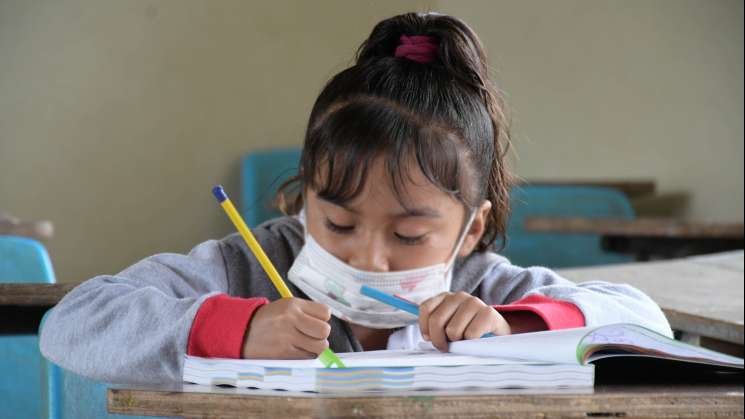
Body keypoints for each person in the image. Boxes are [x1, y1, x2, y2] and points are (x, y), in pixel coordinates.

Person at [40, 12, 671, 385]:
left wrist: (518, 328)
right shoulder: (248, 267)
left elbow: (645, 320)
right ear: (302, 199)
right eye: (338, 222)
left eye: (407, 236)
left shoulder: (487, 290)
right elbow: (73, 322)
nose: (369, 258)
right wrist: (237, 327)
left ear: (471, 230)